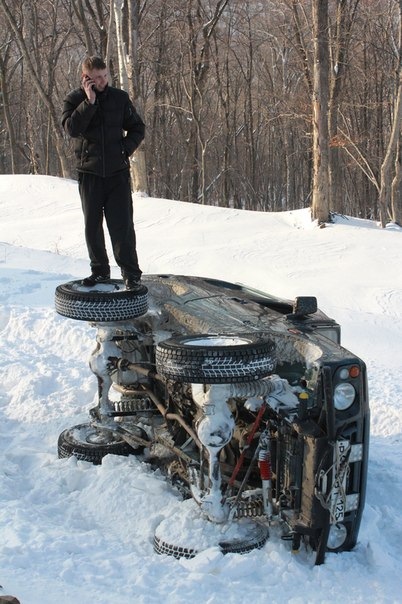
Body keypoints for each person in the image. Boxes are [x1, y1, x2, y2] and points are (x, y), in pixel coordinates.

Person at [62, 56, 145, 290]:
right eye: (97, 77)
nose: (103, 81)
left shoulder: (120, 98)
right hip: (89, 173)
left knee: (122, 226)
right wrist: (89, 102)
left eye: (105, 75)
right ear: (85, 78)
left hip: (117, 173)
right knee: (92, 226)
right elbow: (71, 128)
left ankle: (131, 273)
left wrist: (124, 150)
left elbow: (138, 128)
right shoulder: (74, 99)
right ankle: (99, 271)